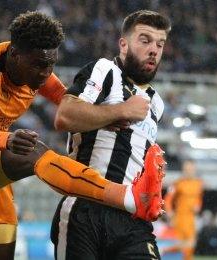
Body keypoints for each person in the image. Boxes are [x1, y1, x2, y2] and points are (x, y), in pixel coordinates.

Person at [0, 11, 163, 260]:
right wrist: (6, 139)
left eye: (51, 64)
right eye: (39, 65)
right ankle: (124, 195)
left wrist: (104, 115)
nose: (45, 72)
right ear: (15, 55)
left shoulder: (33, 66)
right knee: (30, 153)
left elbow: (66, 101)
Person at [50, 10, 171, 259]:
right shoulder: (105, 70)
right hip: (86, 210)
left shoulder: (156, 103)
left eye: (160, 44)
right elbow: (65, 116)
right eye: (145, 40)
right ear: (123, 44)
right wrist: (120, 111)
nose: (154, 50)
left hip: (133, 220)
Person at [163, 159, 204, 260]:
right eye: (187, 169)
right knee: (187, 244)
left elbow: (198, 199)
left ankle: (164, 250)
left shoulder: (198, 183)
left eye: (191, 168)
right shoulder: (178, 183)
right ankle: (164, 251)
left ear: (194, 169)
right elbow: (168, 199)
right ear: (183, 170)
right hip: (180, 217)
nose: (189, 171)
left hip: (191, 218)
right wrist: (169, 212)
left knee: (190, 245)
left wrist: (198, 206)